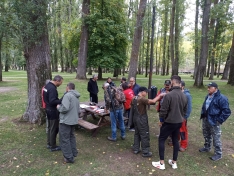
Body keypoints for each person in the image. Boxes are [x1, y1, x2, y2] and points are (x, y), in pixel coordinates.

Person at [152, 75, 187, 170]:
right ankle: (174, 162)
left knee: (162, 139)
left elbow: (163, 110)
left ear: (172, 82)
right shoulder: (184, 95)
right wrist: (180, 118)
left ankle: (161, 163)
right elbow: (185, 110)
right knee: (175, 140)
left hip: (169, 122)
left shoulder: (169, 95)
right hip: (179, 122)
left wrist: (161, 120)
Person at [129, 87, 165, 157]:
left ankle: (136, 148)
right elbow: (153, 101)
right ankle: (145, 151)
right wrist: (160, 96)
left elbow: (131, 107)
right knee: (144, 134)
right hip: (142, 119)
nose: (146, 93)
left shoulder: (134, 98)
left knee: (137, 133)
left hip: (135, 118)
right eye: (146, 92)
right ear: (142, 92)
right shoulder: (142, 99)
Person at [199, 82, 231, 161]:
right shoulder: (208, 96)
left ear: (215, 88)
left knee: (216, 137)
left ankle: (218, 154)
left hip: (214, 121)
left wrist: (219, 120)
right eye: (208, 87)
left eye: (210, 87)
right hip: (206, 119)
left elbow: (227, 111)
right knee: (206, 134)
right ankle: (207, 147)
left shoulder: (222, 98)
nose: (208, 89)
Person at [57, 82, 80, 164]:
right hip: (73, 120)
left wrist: (59, 107)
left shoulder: (67, 95)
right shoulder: (76, 96)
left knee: (64, 139)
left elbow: (65, 108)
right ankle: (73, 153)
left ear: (68, 87)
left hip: (66, 121)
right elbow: (78, 109)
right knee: (71, 137)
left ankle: (69, 158)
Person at [43, 75, 63, 152]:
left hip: (48, 109)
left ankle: (49, 143)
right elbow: (52, 101)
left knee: (51, 128)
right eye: (60, 82)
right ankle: (53, 146)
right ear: (57, 81)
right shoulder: (52, 88)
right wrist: (61, 100)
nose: (61, 84)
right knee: (53, 128)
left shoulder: (47, 86)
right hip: (52, 110)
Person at [179, 81, 192, 152]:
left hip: (182, 117)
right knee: (176, 129)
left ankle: (183, 145)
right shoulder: (178, 93)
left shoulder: (187, 95)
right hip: (176, 116)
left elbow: (189, 108)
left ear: (182, 86)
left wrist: (185, 117)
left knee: (182, 131)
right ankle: (176, 141)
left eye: (179, 85)